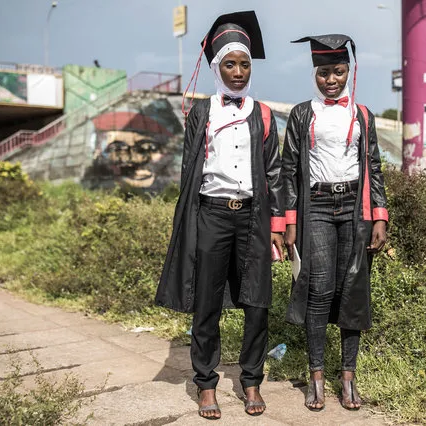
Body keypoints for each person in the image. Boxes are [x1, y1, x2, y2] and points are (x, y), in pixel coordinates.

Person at [155, 10, 285, 420]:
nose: (239, 71)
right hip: (211, 215)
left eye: (245, 64)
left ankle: (251, 381)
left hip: (253, 219)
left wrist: (279, 226)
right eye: (230, 63)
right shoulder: (201, 112)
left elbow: (276, 172)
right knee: (206, 304)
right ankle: (206, 384)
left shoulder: (263, 114)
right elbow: (188, 168)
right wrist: (191, 222)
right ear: (216, 67)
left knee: (257, 303)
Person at [281, 34, 389, 411]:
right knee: (320, 288)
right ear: (315, 74)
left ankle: (348, 377)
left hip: (354, 207)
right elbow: (289, 169)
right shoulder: (301, 113)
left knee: (351, 289)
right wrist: (290, 221)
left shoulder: (362, 115)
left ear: (348, 71)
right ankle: (316, 376)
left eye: (338, 71)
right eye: (324, 72)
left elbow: (373, 166)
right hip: (318, 206)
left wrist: (380, 215)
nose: (331, 79)